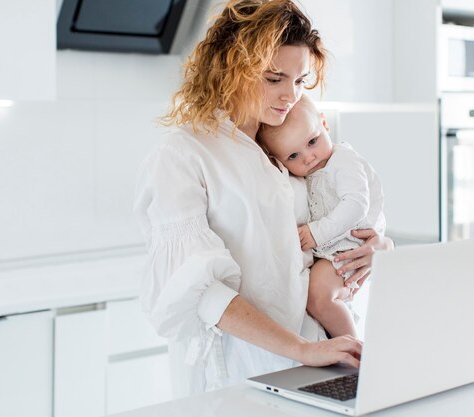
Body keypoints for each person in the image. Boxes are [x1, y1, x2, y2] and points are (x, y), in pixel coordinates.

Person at [133, 0, 394, 397]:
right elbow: (203, 293)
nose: (290, 95)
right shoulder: (184, 155)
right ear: (230, 68)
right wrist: (301, 349)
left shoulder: (287, 148)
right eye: (274, 78)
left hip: (319, 362)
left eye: (300, 81)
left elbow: (335, 223)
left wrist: (376, 246)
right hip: (243, 373)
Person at [258, 95, 386, 339]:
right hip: (332, 248)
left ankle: (354, 351)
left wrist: (316, 233)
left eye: (312, 141)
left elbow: (357, 204)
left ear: (324, 124)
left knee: (318, 294)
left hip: (349, 245)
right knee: (320, 295)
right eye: (293, 156)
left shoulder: (343, 160)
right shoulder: (308, 172)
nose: (308, 157)